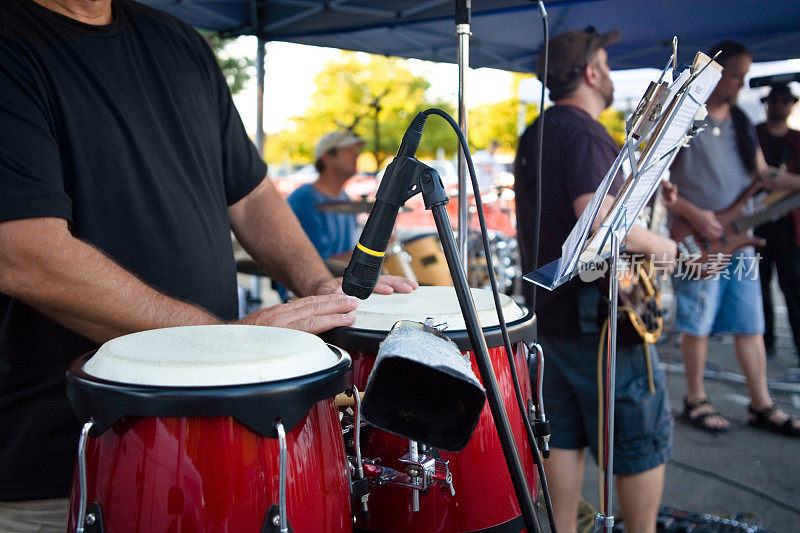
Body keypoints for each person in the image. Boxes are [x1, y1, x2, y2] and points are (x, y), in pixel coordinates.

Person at [0, 1, 414, 530]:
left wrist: (319, 284)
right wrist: (225, 341)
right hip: (69, 461)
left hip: (216, 440)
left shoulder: (179, 41)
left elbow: (251, 193)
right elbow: (24, 253)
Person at [515, 28, 677, 533]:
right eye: (604, 61)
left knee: (562, 434)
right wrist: (663, 246)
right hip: (601, 322)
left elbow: (578, 209)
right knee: (638, 436)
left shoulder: (539, 130)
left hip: (552, 315)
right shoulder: (583, 131)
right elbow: (598, 220)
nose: (608, 71)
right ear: (590, 72)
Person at [667, 41, 800, 436]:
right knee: (697, 321)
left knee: (750, 323)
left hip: (741, 237)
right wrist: (696, 216)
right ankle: (695, 398)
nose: (740, 84)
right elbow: (659, 179)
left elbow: (764, 175)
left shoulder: (743, 120)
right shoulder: (685, 116)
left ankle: (761, 403)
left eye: (744, 76)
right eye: (735, 75)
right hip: (697, 237)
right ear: (715, 72)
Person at [753, 84, 800, 360]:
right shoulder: (755, 136)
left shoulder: (797, 140)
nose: (779, 105)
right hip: (754, 223)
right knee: (757, 286)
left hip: (789, 227)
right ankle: (763, 344)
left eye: (785, 101)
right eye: (774, 101)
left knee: (793, 286)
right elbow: (756, 176)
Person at [288, 131, 365, 262]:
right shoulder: (304, 199)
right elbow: (316, 264)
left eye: (356, 151)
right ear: (327, 158)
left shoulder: (345, 198)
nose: (356, 156)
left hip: (337, 279)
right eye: (349, 151)